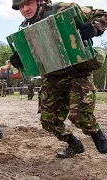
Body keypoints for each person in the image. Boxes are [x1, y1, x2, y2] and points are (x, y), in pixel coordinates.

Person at [10, 0, 107, 158]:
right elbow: (34, 58)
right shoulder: (24, 29)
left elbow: (102, 15)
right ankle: (73, 144)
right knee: (49, 121)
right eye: (20, 6)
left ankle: (97, 133)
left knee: (79, 116)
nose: (25, 9)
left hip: (77, 71)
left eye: (28, 3)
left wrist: (95, 27)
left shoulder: (64, 9)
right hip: (52, 76)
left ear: (40, 1)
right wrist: (20, 58)